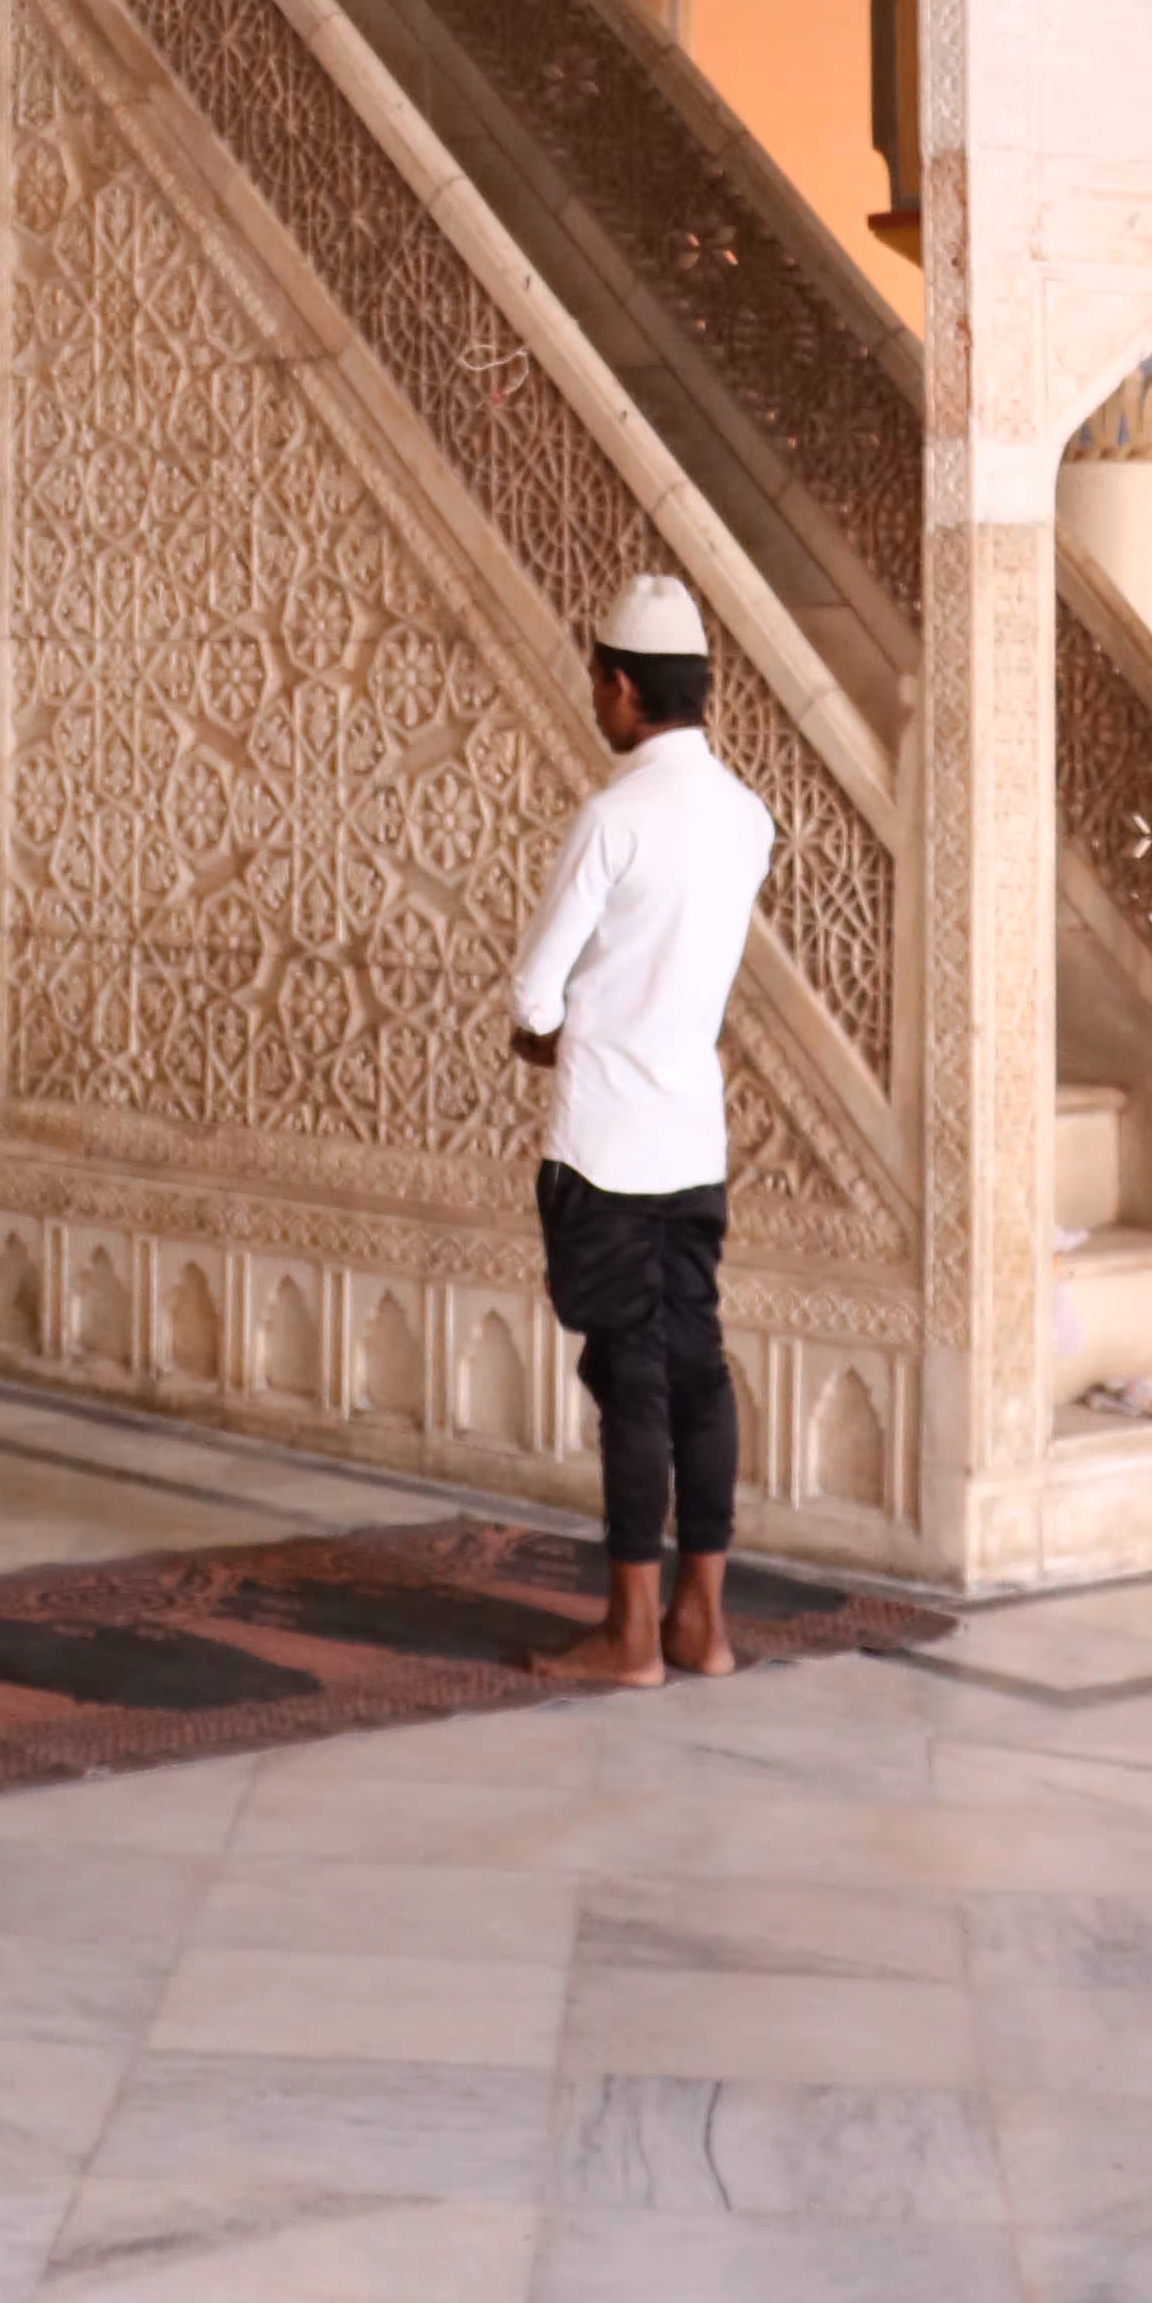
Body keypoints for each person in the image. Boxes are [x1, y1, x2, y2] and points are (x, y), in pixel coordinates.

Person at [508, 571, 777, 1692]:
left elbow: (531, 996)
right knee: (694, 1375)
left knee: (630, 1380)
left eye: (596, 686)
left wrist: (552, 1035)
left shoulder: (612, 818)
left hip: (607, 1149)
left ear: (622, 688)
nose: (595, 703)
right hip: (691, 1148)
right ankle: (699, 1626)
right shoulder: (746, 816)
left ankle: (625, 1637)